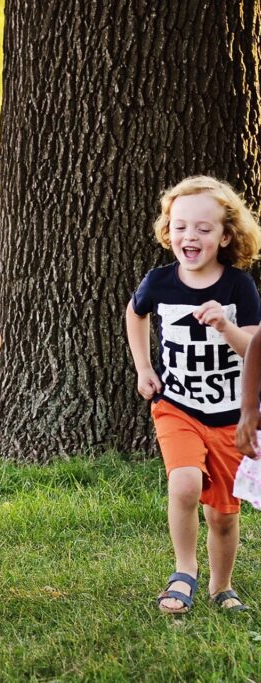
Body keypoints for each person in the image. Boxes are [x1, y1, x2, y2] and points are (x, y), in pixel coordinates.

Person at [129, 176, 261, 614]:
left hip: (229, 415)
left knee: (223, 514)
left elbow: (253, 349)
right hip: (177, 407)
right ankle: (183, 571)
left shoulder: (238, 287)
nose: (191, 236)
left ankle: (221, 587)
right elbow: (135, 314)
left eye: (204, 229)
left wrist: (226, 325)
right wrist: (144, 368)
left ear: (225, 235)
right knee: (183, 483)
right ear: (169, 230)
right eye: (181, 226)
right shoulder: (159, 281)